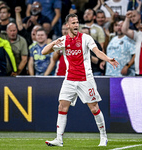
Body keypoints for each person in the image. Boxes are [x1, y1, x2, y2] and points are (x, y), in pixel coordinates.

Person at [42, 13, 119, 147]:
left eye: (77, 22)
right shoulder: (63, 40)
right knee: (62, 106)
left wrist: (107, 59)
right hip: (69, 79)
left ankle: (103, 137)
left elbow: (97, 52)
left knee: (94, 108)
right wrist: (54, 43)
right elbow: (44, 52)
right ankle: (59, 139)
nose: (76, 25)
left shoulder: (86, 38)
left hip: (85, 79)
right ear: (67, 25)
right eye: (73, 23)